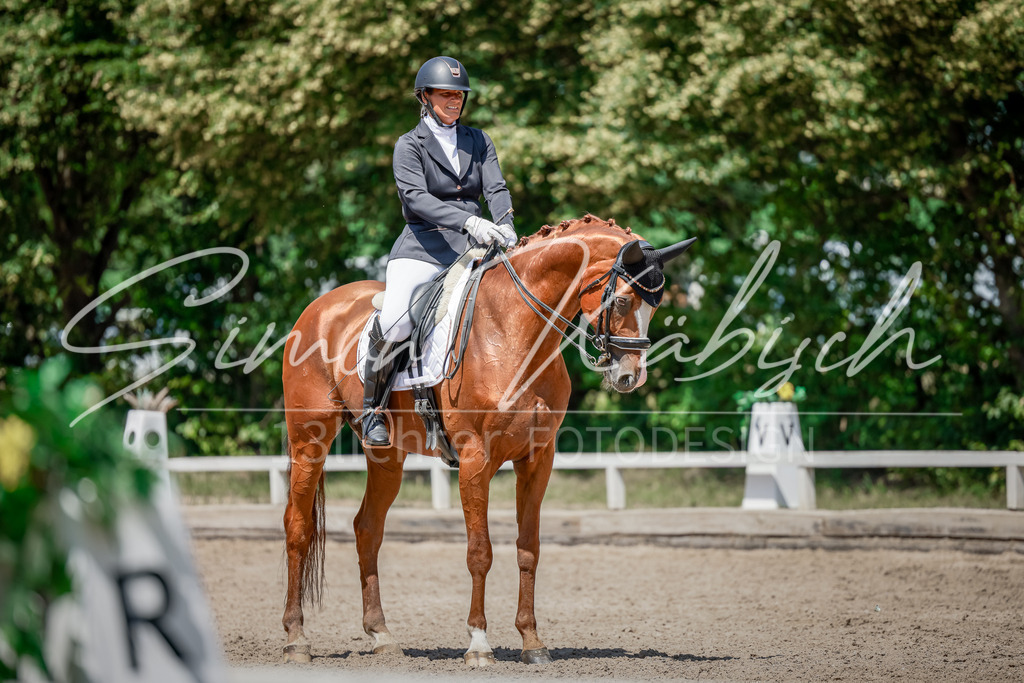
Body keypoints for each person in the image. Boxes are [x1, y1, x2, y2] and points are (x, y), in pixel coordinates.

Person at [361, 56, 517, 447]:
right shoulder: (408, 145)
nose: (454, 101)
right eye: (445, 94)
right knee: (395, 322)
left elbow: (495, 189)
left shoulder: (478, 140)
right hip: (423, 246)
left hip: (475, 248)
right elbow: (416, 198)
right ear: (425, 97)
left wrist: (507, 225)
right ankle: (372, 409)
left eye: (459, 95)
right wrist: (470, 222)